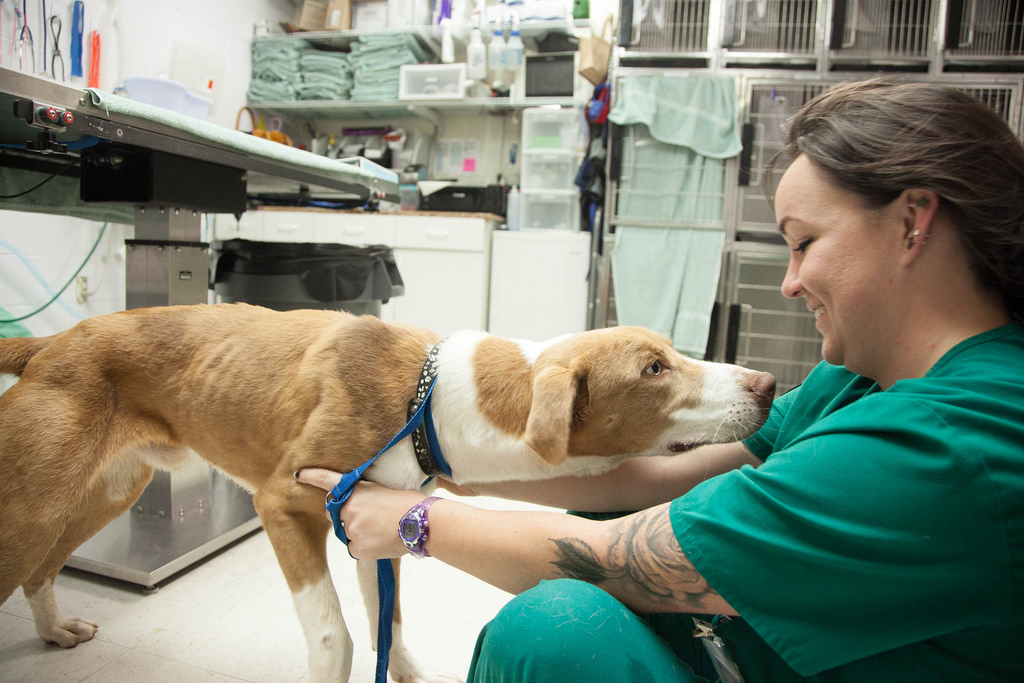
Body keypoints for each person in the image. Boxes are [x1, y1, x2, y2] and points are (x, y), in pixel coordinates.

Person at [296, 78, 1024, 682]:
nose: (790, 283)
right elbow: (649, 476)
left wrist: (415, 522)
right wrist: (455, 469)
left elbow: (625, 557)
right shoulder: (859, 380)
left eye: (804, 243)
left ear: (912, 221)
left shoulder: (952, 440)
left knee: (552, 631)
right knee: (583, 518)